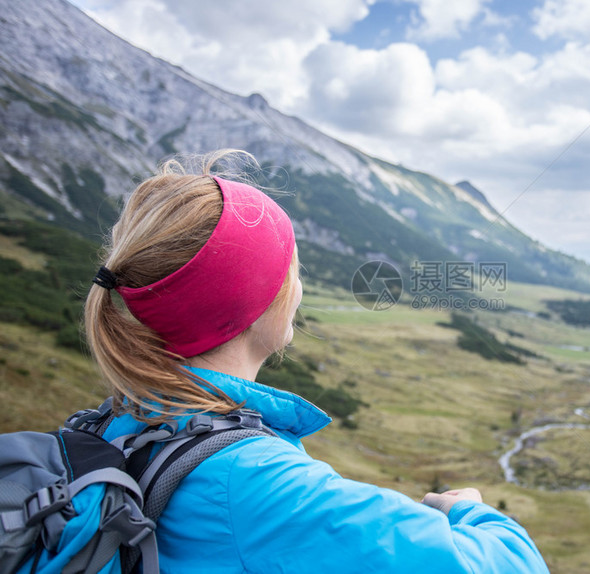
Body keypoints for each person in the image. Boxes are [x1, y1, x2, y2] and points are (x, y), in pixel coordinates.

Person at [84, 150, 551, 573]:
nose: (298, 286)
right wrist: (469, 510)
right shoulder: (258, 484)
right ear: (253, 301)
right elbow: (509, 567)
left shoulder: (119, 423)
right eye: (290, 268)